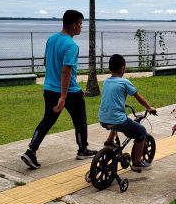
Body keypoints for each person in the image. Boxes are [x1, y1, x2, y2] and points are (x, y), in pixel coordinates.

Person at [21, 10, 97, 169]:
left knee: (47, 120)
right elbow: (66, 71)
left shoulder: (51, 39)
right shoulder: (71, 45)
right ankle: (82, 149)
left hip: (49, 89)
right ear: (74, 24)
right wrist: (63, 97)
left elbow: (47, 61)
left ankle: (31, 151)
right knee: (80, 119)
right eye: (81, 24)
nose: (81, 27)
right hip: (69, 92)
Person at [98, 54, 156, 171]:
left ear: (109, 68)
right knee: (141, 131)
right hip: (117, 119)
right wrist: (149, 108)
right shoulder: (124, 82)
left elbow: (110, 97)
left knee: (117, 117)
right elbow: (139, 98)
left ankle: (109, 141)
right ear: (123, 68)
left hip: (102, 118)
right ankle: (137, 162)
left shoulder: (106, 82)